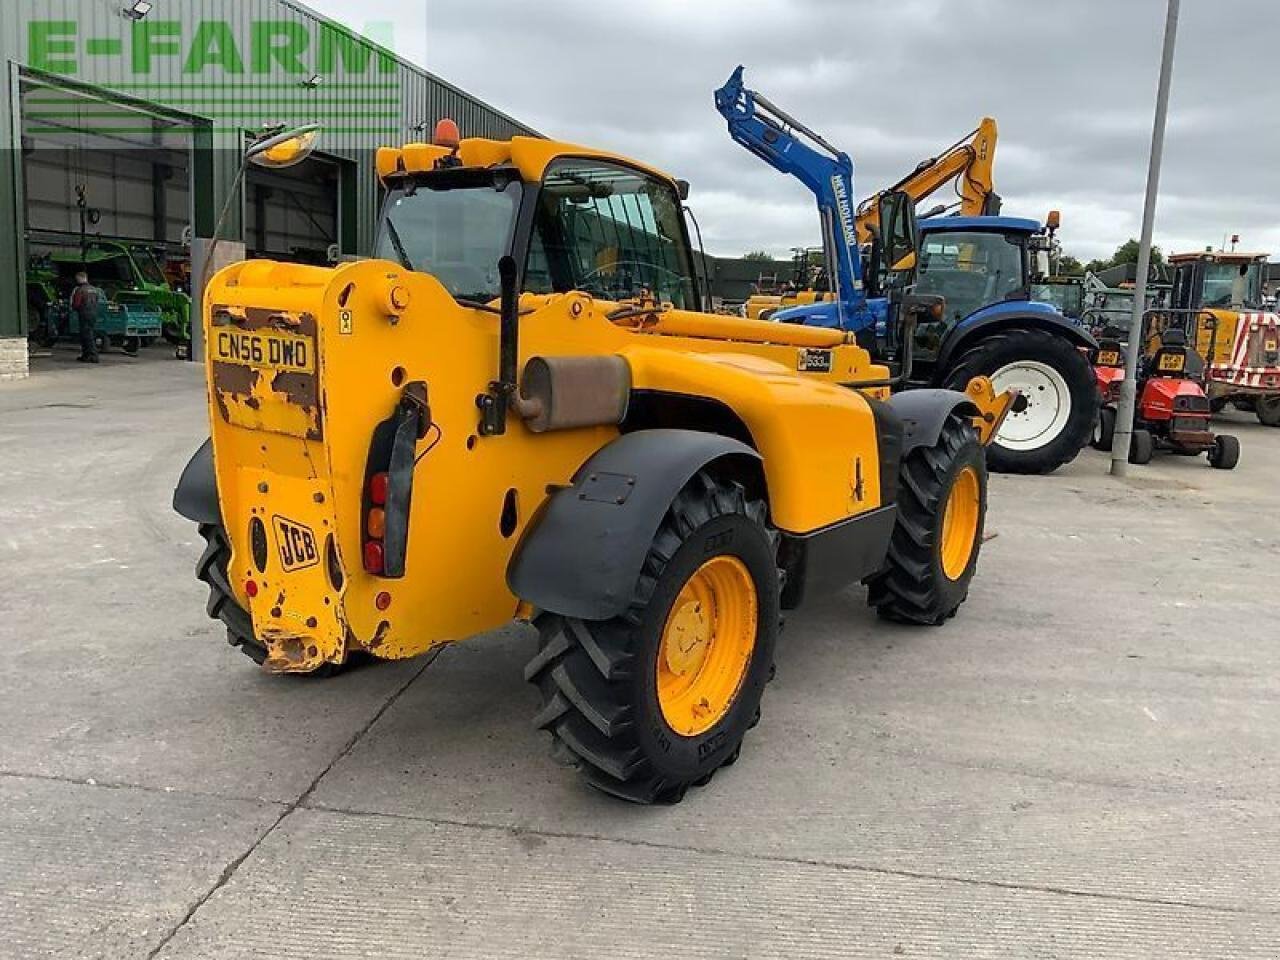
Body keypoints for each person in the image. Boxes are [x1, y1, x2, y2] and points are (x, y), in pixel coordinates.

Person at [69, 271, 104, 364]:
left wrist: (73, 308)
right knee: (89, 333)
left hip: (84, 313)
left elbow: (76, 303)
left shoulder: (80, 290)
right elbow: (97, 301)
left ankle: (92, 356)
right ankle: (87, 355)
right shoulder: (94, 289)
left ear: (79, 278)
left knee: (86, 335)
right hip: (93, 313)